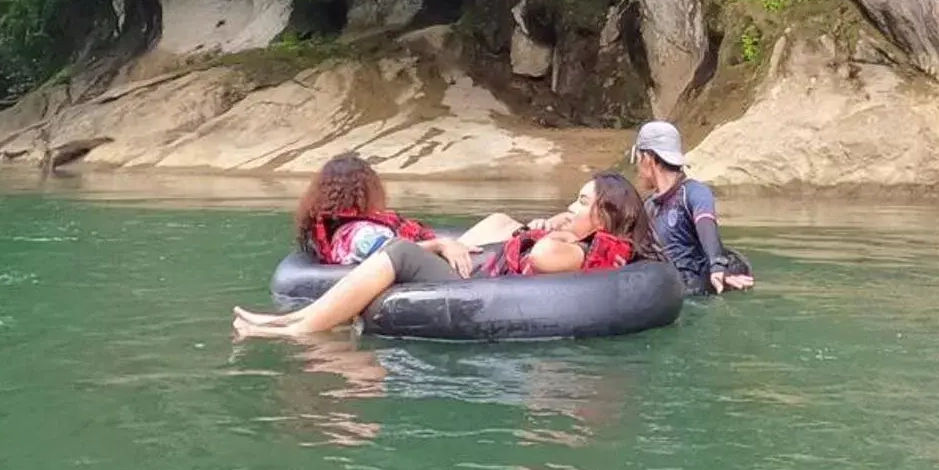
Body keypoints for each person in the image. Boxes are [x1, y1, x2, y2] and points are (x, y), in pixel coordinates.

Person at [233, 170, 662, 339]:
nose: (569, 207)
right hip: (478, 268)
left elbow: (548, 257)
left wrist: (558, 231)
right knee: (497, 220)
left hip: (475, 289)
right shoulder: (585, 241)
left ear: (603, 216)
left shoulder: (593, 251)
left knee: (400, 252)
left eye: (579, 201)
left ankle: (298, 329)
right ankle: (291, 319)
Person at [630, 120, 754, 294]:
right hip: (668, 292)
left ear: (648, 158)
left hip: (695, 291)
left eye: (636, 159)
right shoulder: (649, 206)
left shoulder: (693, 192)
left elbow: (706, 223)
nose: (637, 168)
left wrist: (717, 265)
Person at [293, 153, 437, 265]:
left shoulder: (337, 229)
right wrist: (440, 245)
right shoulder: (360, 234)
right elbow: (396, 252)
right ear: (368, 190)